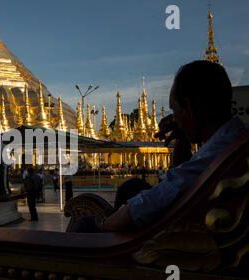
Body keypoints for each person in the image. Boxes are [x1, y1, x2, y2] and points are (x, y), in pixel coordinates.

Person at [71, 60, 247, 233]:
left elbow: (138, 211)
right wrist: (182, 139)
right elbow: (181, 177)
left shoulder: (220, 153)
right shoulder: (233, 140)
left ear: (189, 109)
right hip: (192, 217)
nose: (174, 119)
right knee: (130, 186)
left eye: (175, 110)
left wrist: (105, 222)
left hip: (181, 236)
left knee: (84, 224)